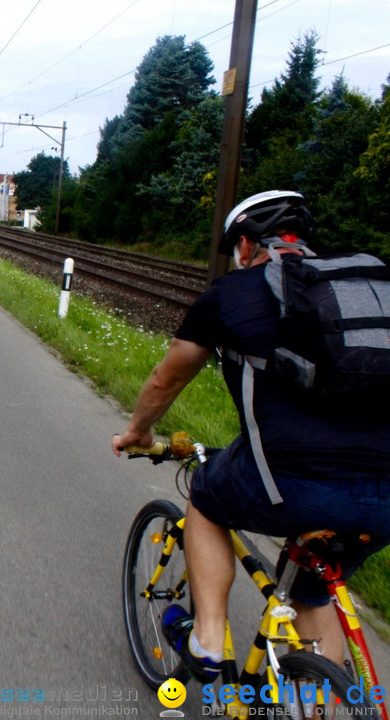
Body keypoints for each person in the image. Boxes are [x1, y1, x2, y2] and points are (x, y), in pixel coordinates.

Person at [111, 190, 390, 680]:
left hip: (288, 482)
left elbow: (166, 378)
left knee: (206, 494)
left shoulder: (232, 293)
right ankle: (319, 700)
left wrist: (139, 431)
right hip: (385, 495)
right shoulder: (360, 297)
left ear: (244, 245)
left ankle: (208, 639)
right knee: (312, 588)